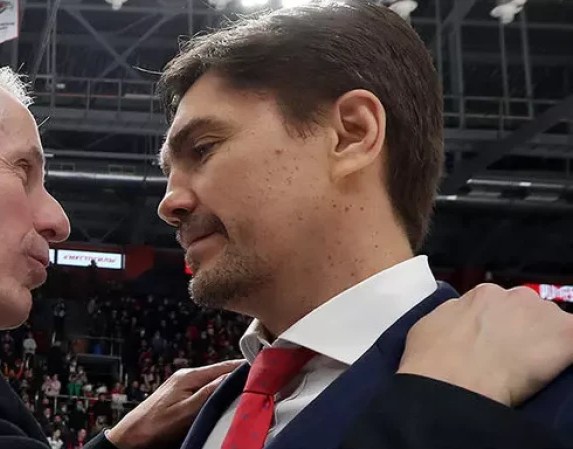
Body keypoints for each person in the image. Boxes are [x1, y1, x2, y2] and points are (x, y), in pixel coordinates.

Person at [0, 66, 568, 449]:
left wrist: (114, 447)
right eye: (24, 171)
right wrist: (437, 411)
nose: (57, 217)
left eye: (205, 148)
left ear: (351, 135)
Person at [153, 2, 573, 449]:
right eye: (168, 173)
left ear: (352, 133)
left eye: (203, 149)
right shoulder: (198, 417)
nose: (168, 204)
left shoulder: (555, 396)